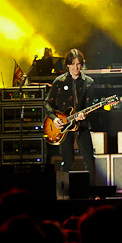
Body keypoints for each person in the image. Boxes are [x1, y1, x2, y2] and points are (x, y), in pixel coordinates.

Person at [45, 49, 97, 180]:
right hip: (64, 127)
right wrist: (54, 118)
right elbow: (47, 103)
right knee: (67, 160)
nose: (76, 67)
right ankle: (65, 191)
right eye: (73, 64)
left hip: (82, 125)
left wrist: (84, 115)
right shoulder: (59, 81)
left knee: (89, 160)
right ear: (67, 65)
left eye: (78, 64)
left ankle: (91, 191)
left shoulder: (88, 82)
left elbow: (90, 105)